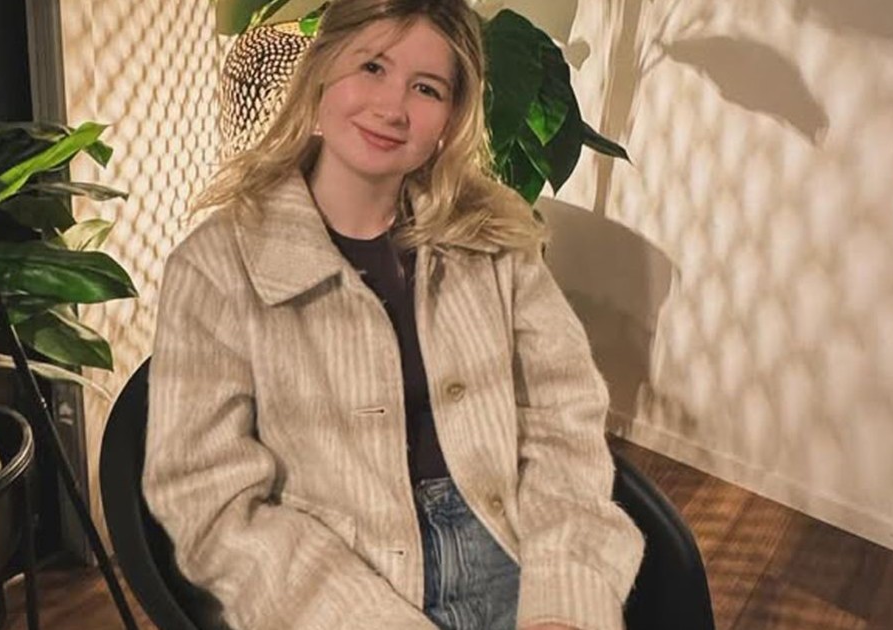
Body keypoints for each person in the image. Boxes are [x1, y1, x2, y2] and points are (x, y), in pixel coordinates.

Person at [142, 0, 645, 628]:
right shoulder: (214, 265)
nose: (392, 107)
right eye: (372, 67)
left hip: (508, 547)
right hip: (331, 580)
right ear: (322, 72)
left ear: (451, 118)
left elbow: (561, 422)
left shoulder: (496, 237)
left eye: (426, 87)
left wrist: (562, 599)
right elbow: (208, 498)